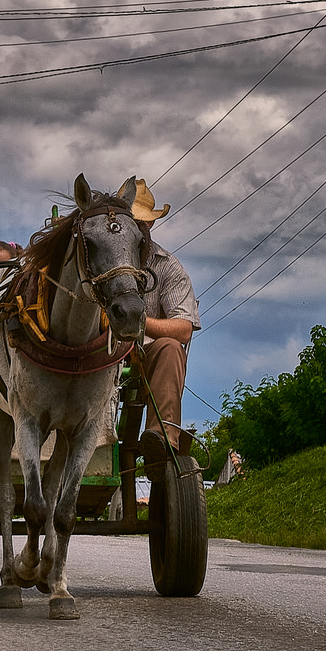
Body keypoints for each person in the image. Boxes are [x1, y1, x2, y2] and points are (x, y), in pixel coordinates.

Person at [130, 180, 201, 483]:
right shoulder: (92, 258)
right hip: (92, 351)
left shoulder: (168, 267)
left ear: (149, 226)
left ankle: (161, 440)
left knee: (172, 347)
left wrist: (137, 322)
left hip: (140, 357)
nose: (135, 229)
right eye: (128, 222)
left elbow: (184, 328)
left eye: (140, 224)